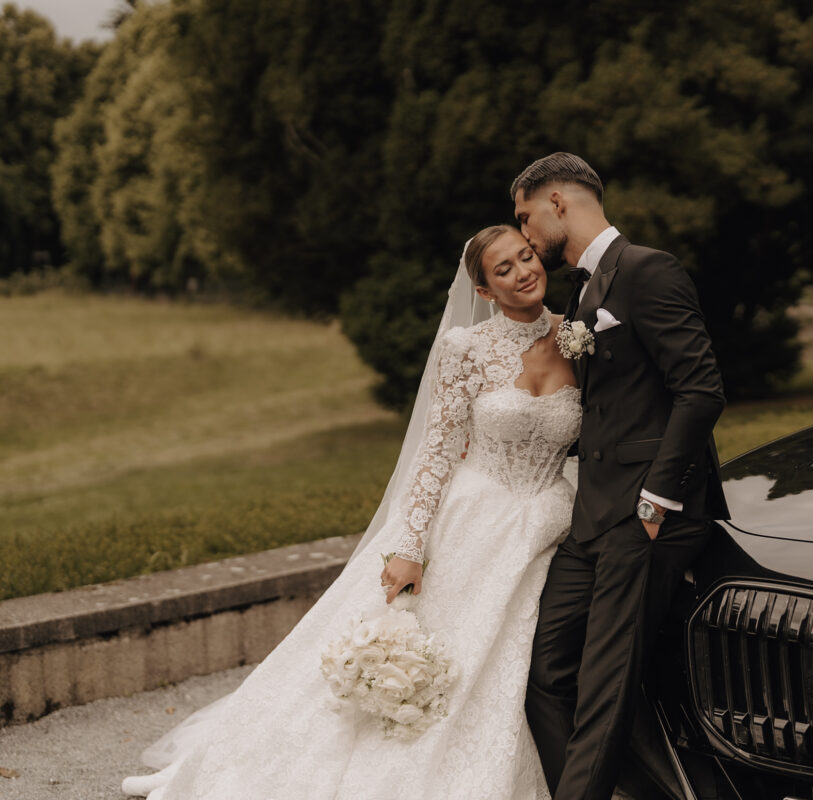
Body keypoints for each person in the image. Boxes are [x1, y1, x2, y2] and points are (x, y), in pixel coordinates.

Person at [121, 225, 580, 799]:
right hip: (470, 521)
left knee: (500, 661)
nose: (522, 272)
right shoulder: (466, 348)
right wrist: (409, 547)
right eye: (503, 269)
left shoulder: (576, 338)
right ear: (485, 291)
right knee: (422, 648)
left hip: (545, 526)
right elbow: (436, 452)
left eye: (525, 256)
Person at [514, 153, 729, 800]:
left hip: (646, 515)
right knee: (545, 673)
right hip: (593, 515)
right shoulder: (582, 289)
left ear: (558, 201)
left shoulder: (647, 269)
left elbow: (701, 391)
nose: (525, 235)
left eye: (525, 217)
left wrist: (656, 501)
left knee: (604, 687)